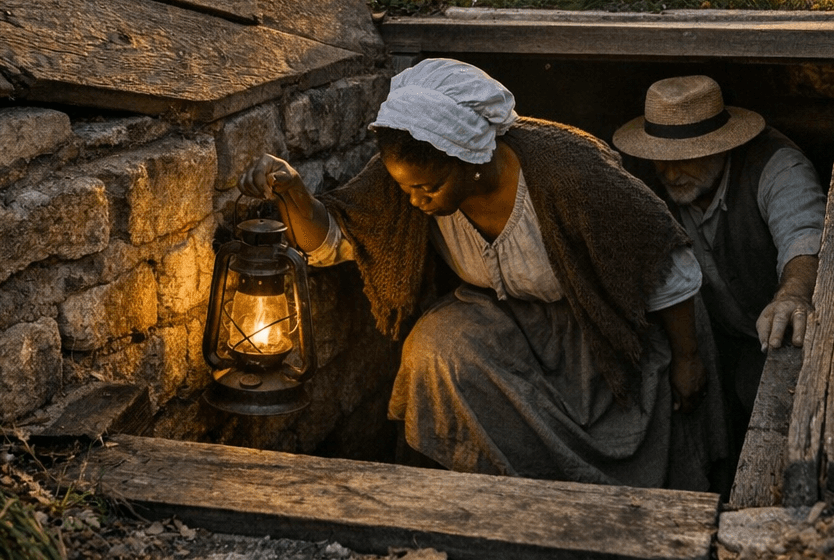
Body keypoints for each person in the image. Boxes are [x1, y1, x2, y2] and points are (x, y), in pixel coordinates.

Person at [239, 59, 728, 488]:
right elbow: (334, 241)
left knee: (648, 402)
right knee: (437, 349)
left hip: (598, 325)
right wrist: (293, 192)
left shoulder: (572, 173)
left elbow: (667, 265)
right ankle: (477, 492)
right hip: (505, 321)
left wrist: (688, 359)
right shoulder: (410, 169)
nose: (414, 201)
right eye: (407, 189)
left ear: (471, 160)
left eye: (428, 189)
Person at [613, 76, 824, 440]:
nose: (670, 172)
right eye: (660, 158)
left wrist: (793, 294)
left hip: (772, 342)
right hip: (704, 339)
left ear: (723, 146)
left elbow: (804, 237)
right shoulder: (647, 180)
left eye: (686, 157)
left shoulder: (777, 167)